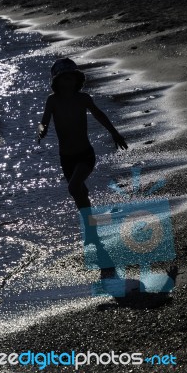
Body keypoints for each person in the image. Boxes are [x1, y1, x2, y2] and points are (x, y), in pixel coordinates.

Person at [38, 57, 128, 254]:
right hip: (66, 158)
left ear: (77, 80)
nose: (67, 83)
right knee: (80, 196)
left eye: (71, 79)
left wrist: (114, 133)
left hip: (85, 155)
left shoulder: (83, 99)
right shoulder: (52, 100)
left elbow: (100, 115)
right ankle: (93, 232)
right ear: (56, 81)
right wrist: (41, 130)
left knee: (73, 186)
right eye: (63, 79)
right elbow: (43, 120)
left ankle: (91, 229)